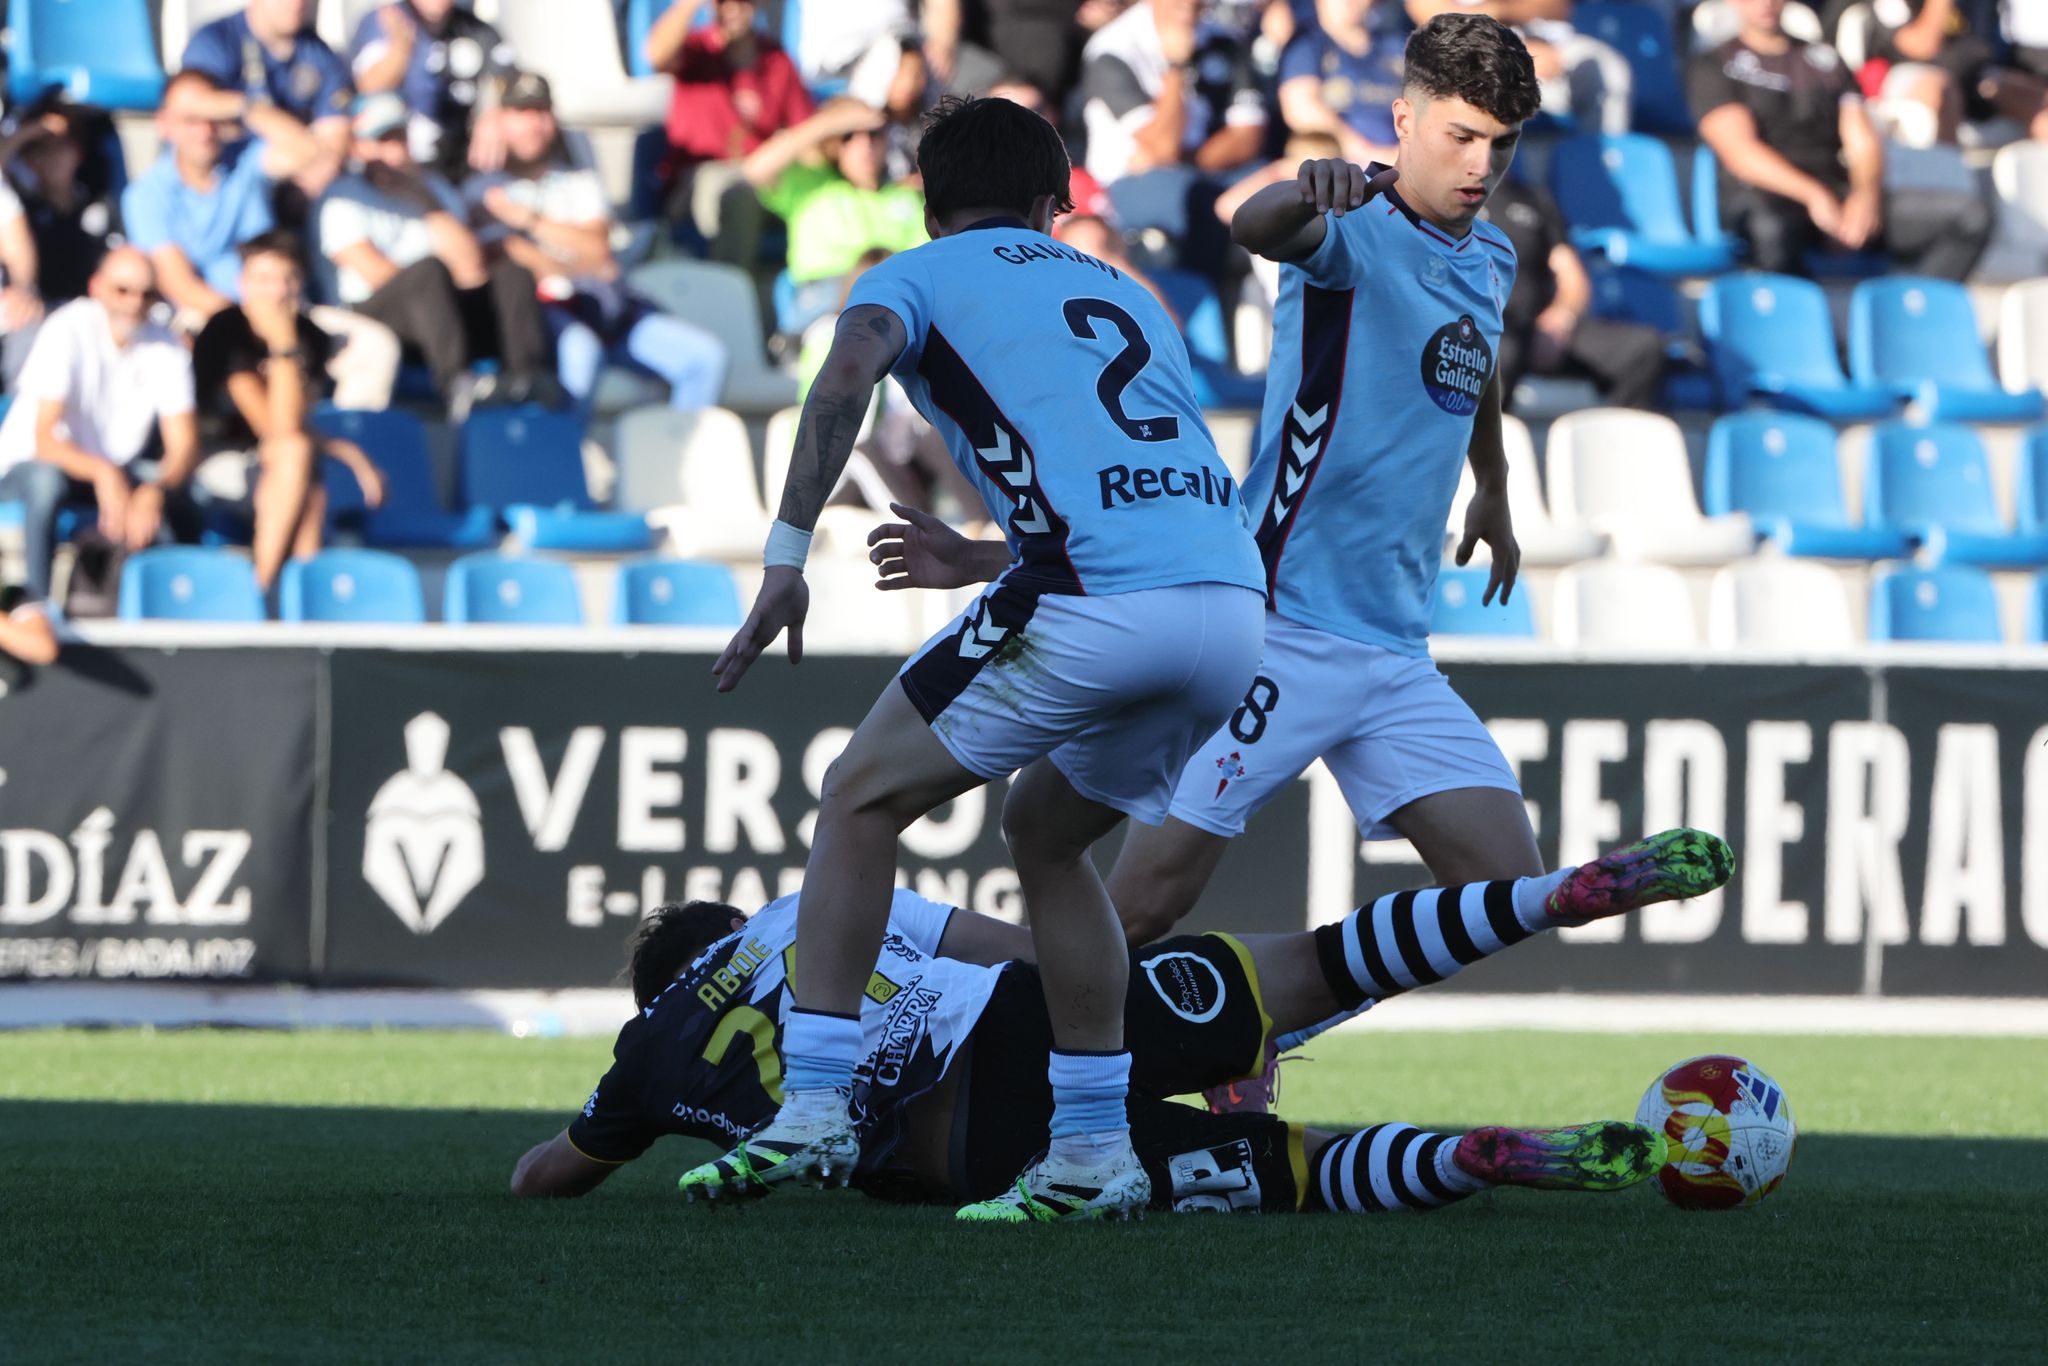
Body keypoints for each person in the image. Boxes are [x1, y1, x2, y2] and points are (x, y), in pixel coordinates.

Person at [878, 15, 1545, 1117]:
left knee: (1501, 893)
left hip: (1392, 648)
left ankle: (1245, 1019)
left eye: (1503, 146)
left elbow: (1469, 367)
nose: (1481, 167)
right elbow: (1255, 220)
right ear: (1405, 119)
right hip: (1274, 628)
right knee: (1134, 910)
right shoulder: (1348, 225)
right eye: (1464, 137)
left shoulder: (1492, 250)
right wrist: (1306, 186)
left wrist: (1495, 488)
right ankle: (917, 967)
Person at [690, 95, 1269, 1223]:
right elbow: (1142, 480)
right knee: (1045, 838)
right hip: (1228, 607)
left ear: (923, 198)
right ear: (1056, 205)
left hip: (1094, 598)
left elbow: (847, 373)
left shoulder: (912, 272)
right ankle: (1095, 1147)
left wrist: (786, 553)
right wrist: (982, 552)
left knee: (856, 800)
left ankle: (811, 1103)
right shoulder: (1122, 290)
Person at [512, 828, 1734, 1213]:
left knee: (1292, 1175)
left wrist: (609, 1131)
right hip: (1035, 1022)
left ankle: (1470, 1157)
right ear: (730, 922)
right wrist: (1171, 1011)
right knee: (1309, 965)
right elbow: (1017, 947)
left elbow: (547, 1176)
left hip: (974, 1154)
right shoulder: (800, 911)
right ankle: (1544, 896)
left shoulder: (647, 1054)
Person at [123, 71, 401, 410]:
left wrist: (240, 105)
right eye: (191, 119)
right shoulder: (147, 193)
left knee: (374, 346)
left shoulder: (245, 162)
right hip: (210, 315)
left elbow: (310, 151)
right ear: (165, 125)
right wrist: (255, 324)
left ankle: (342, 446)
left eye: (211, 117)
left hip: (283, 301)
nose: (204, 130)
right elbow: (178, 282)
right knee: (229, 351)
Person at [464, 73, 727, 417]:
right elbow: (509, 260)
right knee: (582, 355)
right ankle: (565, 466)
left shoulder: (577, 182)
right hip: (545, 317)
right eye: (521, 112)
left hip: (607, 310)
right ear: (500, 120)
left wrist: (530, 223)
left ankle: (677, 459)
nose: (533, 125)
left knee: (706, 358)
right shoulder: (480, 189)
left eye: (541, 112)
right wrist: (574, 254)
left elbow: (601, 256)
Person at [1689, 0, 1993, 281]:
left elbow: (1861, 139)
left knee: (1969, 218)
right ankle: (1801, 328)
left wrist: (1866, 196)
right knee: (1771, 228)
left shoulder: (1825, 60)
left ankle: (1905, 315)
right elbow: (1740, 153)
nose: (1764, 3)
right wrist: (1813, 196)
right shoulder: (1714, 65)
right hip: (1768, 196)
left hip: (1837, 193)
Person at [317, 93, 555, 414]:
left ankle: (529, 380)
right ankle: (456, 383)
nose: (395, 150)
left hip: (440, 313)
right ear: (358, 147)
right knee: (428, 272)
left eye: (399, 137)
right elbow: (374, 273)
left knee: (511, 275)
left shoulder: (433, 188)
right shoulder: (342, 198)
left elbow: (472, 266)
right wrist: (440, 280)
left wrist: (424, 202)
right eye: (382, 140)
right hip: (375, 315)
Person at [0, 249, 201, 605]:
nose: (135, 303)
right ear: (97, 288)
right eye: (123, 290)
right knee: (47, 483)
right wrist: (104, 473)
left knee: (184, 497)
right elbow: (43, 439)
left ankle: (174, 607)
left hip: (108, 470)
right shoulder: (67, 328)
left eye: (147, 293)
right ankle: (38, 606)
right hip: (29, 468)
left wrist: (156, 489)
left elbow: (183, 446)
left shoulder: (167, 346)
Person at [192, 233, 387, 591]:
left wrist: (290, 341)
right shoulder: (226, 329)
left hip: (280, 458)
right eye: (265, 280)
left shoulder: (311, 335)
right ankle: (265, 588)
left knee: (307, 477)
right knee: (296, 455)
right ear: (243, 284)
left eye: (288, 278)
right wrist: (283, 345)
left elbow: (294, 421)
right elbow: (272, 425)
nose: (278, 291)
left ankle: (292, 601)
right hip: (215, 453)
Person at [647, 0, 814, 270]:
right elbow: (656, 55)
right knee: (737, 193)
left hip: (764, 175)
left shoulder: (776, 59)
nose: (732, 9)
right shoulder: (698, 48)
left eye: (742, 2)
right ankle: (726, 293)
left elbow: (804, 131)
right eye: (723, 2)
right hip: (702, 177)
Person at [740, 97, 929, 333]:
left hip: (894, 299)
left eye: (873, 134)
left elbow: (924, 267)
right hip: (824, 306)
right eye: (849, 135)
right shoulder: (808, 187)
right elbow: (753, 171)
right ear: (833, 143)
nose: (865, 144)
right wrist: (830, 123)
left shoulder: (907, 197)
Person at [1480, 176, 1665, 411]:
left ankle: (1616, 443)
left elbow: (1570, 273)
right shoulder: (1443, 199)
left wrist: (1561, 317)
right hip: (1486, 330)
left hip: (1540, 331)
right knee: (1499, 354)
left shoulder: (1534, 199)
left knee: (1642, 349)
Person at [181, 0, 355, 197]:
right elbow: (187, 104)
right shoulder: (215, 40)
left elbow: (333, 138)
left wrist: (316, 165)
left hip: (296, 182)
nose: (296, 3)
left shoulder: (321, 55)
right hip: (222, 177)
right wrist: (251, 108)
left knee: (343, 197)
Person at [349, 0, 519, 181]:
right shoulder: (386, 20)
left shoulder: (477, 30)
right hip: (400, 163)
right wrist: (401, 48)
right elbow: (369, 86)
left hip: (461, 157)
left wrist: (491, 113)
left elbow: (508, 81)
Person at [1405, 0, 1630, 133]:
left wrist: (1500, 10)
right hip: (1471, 51)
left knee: (1608, 69)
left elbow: (1557, 6)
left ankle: (1604, 170)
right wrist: (1516, 48)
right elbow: (1433, 17)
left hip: (1548, 44)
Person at [1280, 0, 1410, 167]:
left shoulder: (1397, 45)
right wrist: (1364, 152)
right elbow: (1300, 110)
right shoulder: (1306, 44)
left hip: (1401, 162)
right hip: (1339, 166)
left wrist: (1404, 153)